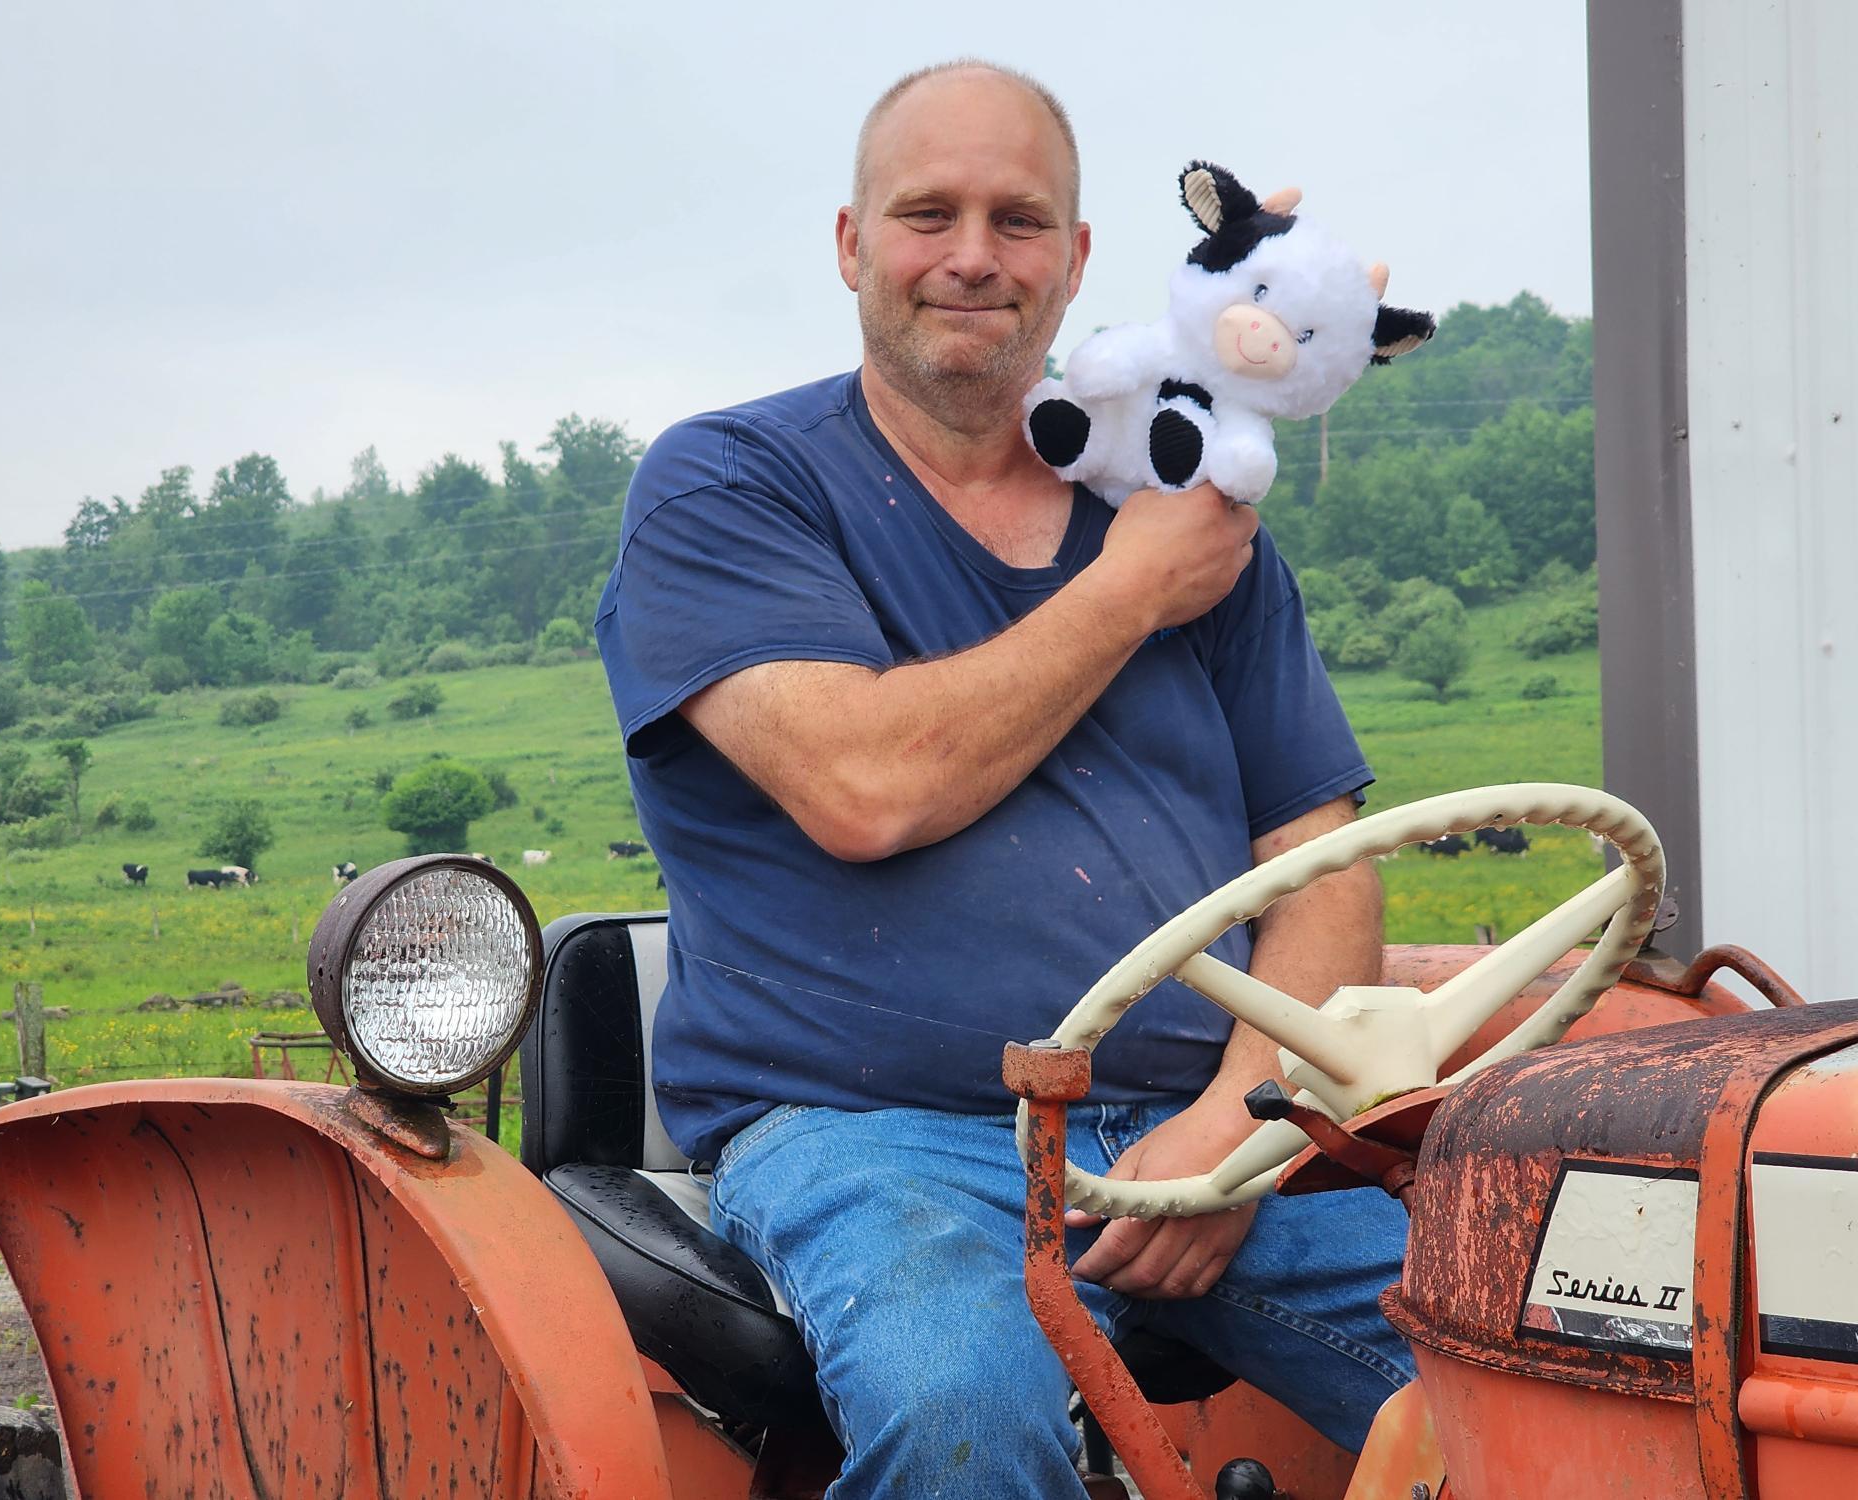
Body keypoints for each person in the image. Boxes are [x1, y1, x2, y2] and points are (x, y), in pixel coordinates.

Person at [596, 58, 1413, 1498]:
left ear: (1076, 258)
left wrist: (1241, 1126)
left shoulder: (1189, 511)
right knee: (960, 1407)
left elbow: (1322, 857)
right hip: (877, 1142)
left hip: (1211, 1128)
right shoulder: (730, 487)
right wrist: (1132, 589)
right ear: (851, 244)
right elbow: (866, 788)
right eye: (928, 214)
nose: (973, 256)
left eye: (1019, 221)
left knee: (1555, 1340)